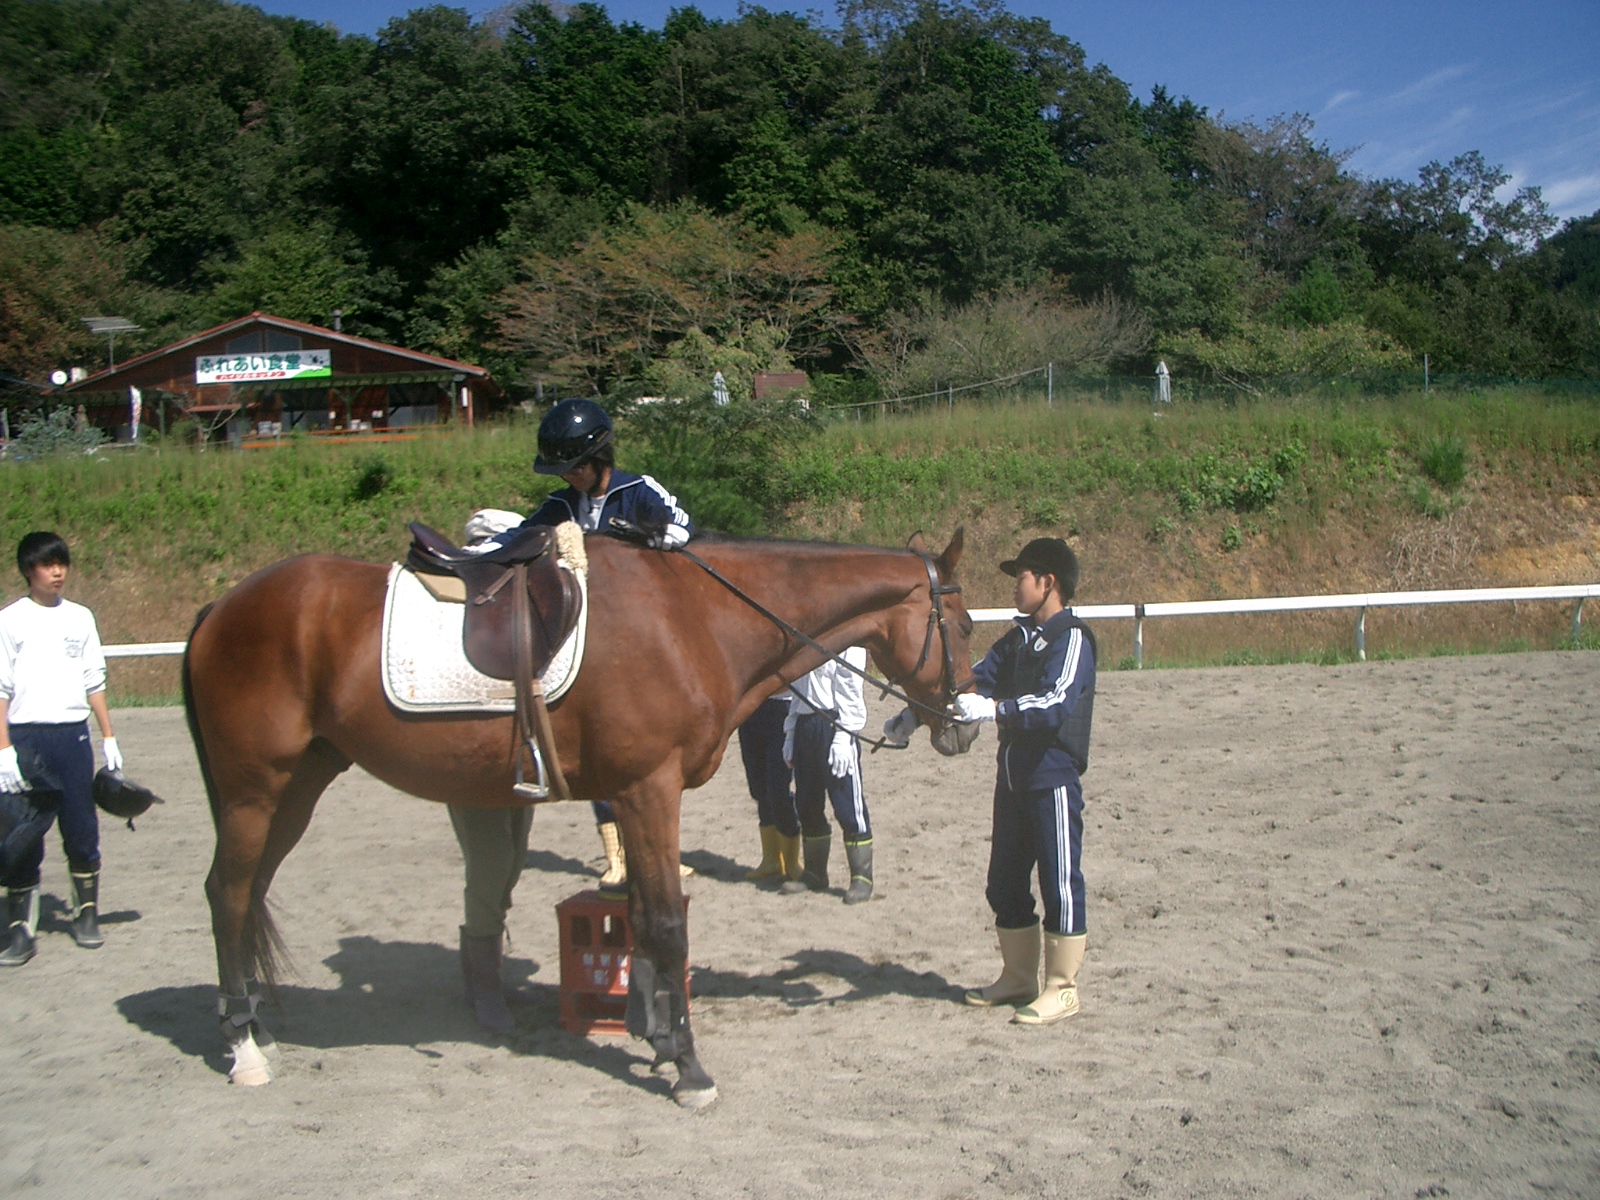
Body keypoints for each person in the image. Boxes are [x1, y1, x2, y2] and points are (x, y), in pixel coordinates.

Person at [448, 399, 693, 1032]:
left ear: (601, 457)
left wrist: (627, 540)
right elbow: (522, 539)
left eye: (576, 468)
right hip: (581, 648)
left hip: (635, 644)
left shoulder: (640, 491)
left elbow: (684, 534)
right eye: (564, 471)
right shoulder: (560, 504)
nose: (569, 479)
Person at [952, 537, 1096, 1025]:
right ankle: (1018, 977)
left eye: (1022, 578)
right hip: (1012, 779)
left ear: (1048, 582)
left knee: (1059, 881)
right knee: (1004, 883)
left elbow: (1055, 701)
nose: (1015, 587)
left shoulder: (1071, 640)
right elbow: (973, 680)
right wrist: (920, 712)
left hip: (1051, 780)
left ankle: (1062, 987)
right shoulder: (1017, 640)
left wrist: (995, 710)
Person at [0, 532, 122, 967]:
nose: (57, 572)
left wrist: (108, 736)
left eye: (62, 563)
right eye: (47, 564)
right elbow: (0, 688)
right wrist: (4, 748)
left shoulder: (80, 618)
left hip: (72, 737)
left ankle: (86, 913)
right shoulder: (10, 620)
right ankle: (20, 929)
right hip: (26, 738)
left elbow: (94, 679)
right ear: (27, 570)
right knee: (22, 834)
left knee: (81, 827)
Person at [781, 646, 874, 904]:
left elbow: (851, 687)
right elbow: (797, 689)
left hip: (834, 724)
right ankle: (815, 872)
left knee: (847, 803)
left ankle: (862, 877)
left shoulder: (849, 643)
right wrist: (791, 733)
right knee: (807, 803)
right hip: (805, 724)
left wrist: (844, 735)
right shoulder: (805, 639)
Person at [737, 697, 801, 885]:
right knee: (759, 789)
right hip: (751, 707)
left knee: (778, 791)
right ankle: (771, 859)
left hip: (783, 708)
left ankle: (792, 862)